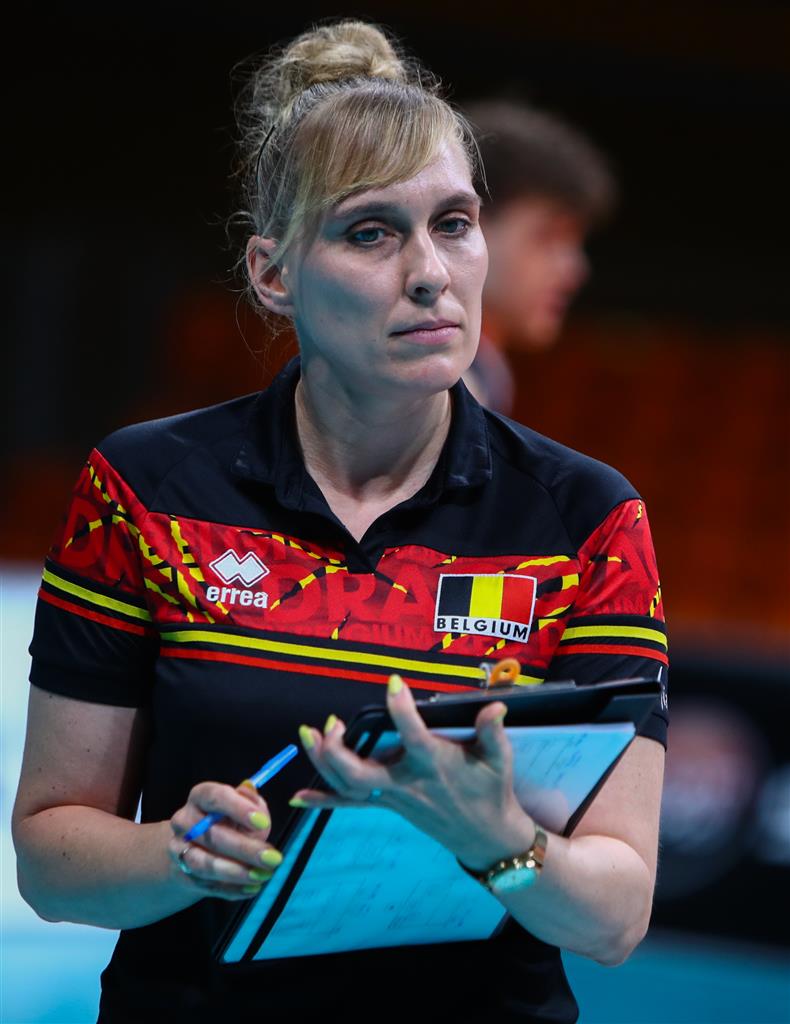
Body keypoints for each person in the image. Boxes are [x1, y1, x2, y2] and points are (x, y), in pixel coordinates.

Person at [12, 19, 668, 1023]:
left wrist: (497, 838)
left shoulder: (589, 520)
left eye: (454, 223)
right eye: (371, 232)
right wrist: (177, 854)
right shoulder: (144, 490)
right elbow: (51, 862)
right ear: (274, 273)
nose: (429, 271)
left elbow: (616, 917)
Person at [462, 99, 616, 414]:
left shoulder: (480, 371)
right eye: (547, 237)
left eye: (575, 242)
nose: (574, 270)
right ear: (467, 225)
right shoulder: (445, 386)